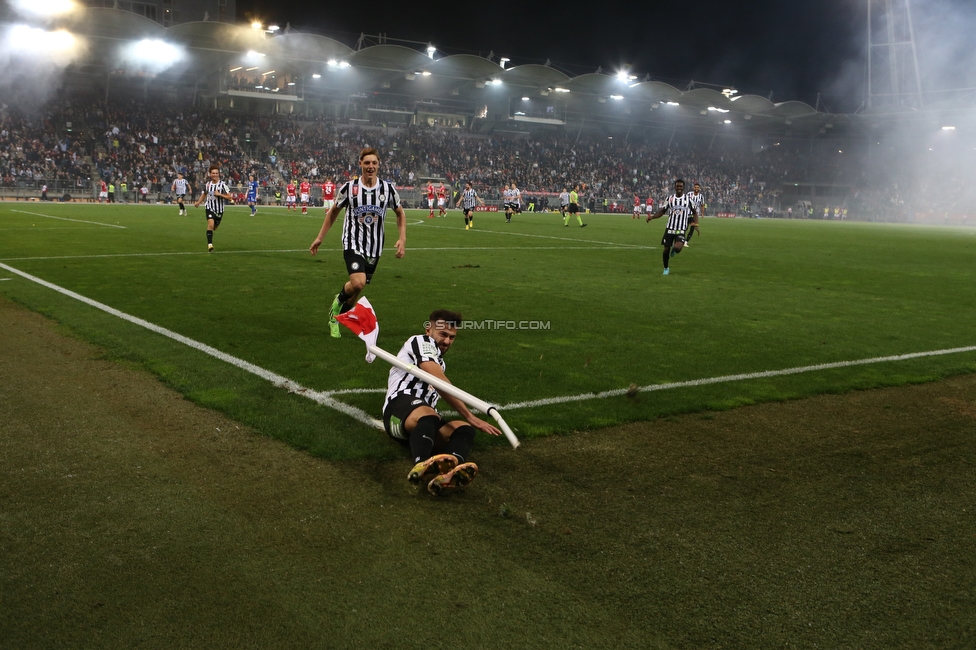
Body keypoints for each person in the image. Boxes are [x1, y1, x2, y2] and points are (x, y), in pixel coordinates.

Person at [382, 311, 502, 495]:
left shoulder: (440, 362)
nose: (447, 341)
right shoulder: (420, 342)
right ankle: (420, 464)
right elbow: (437, 379)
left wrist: (468, 421)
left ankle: (448, 472)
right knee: (431, 416)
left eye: (452, 337)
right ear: (429, 330)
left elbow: (438, 378)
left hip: (422, 422)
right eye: (443, 334)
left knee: (464, 429)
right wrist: (470, 415)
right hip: (397, 410)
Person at [309, 147, 407, 338]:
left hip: (375, 247)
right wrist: (320, 237)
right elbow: (333, 212)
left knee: (356, 290)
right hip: (352, 242)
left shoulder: (387, 189)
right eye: (367, 163)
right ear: (360, 164)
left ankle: (338, 318)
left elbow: (400, 213)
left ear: (379, 165)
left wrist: (402, 238)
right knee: (358, 282)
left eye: (374, 163)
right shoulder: (349, 188)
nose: (370, 166)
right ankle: (335, 307)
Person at [646, 179, 699, 275]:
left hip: (681, 229)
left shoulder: (688, 200)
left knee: (678, 248)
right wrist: (652, 217)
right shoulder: (669, 199)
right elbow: (662, 211)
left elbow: (695, 212)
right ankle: (666, 268)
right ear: (675, 187)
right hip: (670, 228)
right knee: (666, 249)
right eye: (677, 186)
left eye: (681, 186)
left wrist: (696, 224)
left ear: (684, 188)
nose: (679, 187)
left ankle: (675, 249)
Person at [193, 164, 233, 252]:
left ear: (219, 174)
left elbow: (230, 197)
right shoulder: (208, 185)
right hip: (209, 207)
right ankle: (210, 244)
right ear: (210, 174)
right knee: (210, 224)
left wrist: (220, 194)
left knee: (214, 227)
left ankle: (210, 236)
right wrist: (199, 202)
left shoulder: (223, 185)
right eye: (213, 173)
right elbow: (204, 194)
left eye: (216, 173)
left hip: (219, 210)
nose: (215, 175)